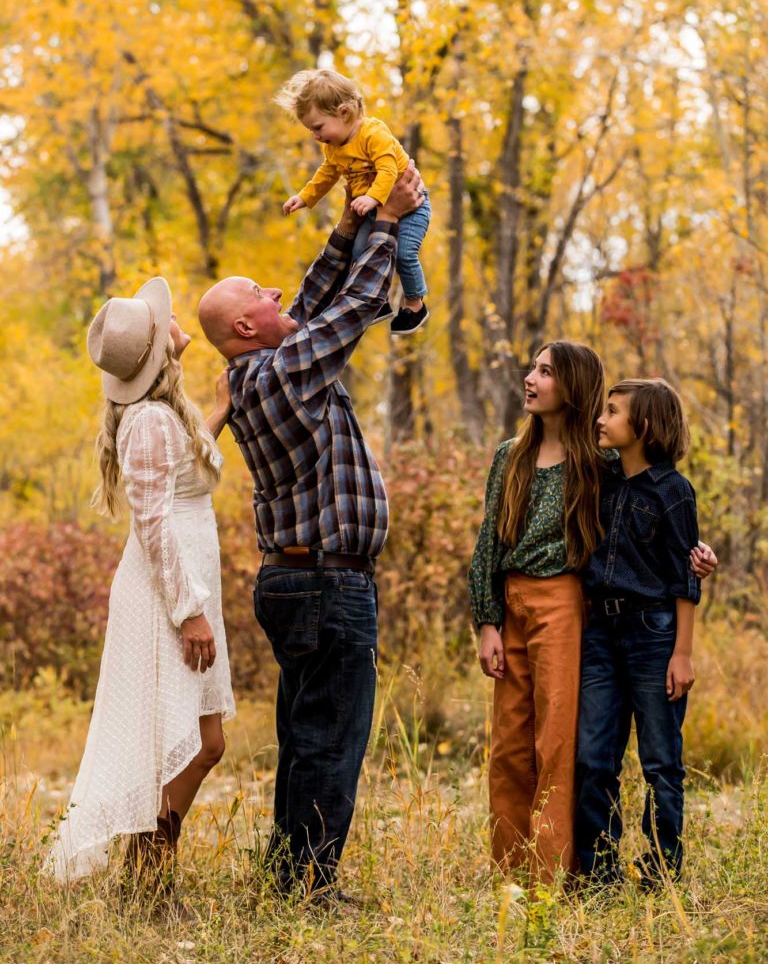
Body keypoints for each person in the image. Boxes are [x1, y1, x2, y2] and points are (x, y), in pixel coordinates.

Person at [197, 168, 425, 903]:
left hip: (295, 577)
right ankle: (309, 886)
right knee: (331, 738)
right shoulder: (286, 370)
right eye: (262, 294)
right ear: (243, 328)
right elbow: (356, 304)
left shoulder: (263, 365)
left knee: (304, 734)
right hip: (328, 581)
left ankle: (289, 872)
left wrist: (346, 231)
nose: (276, 295)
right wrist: (388, 223)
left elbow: (313, 298)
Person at [467, 346, 714, 884]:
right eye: (532, 368)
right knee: (510, 740)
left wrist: (699, 554)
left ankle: (559, 869)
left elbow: (656, 515)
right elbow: (490, 539)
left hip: (569, 605)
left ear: (572, 387)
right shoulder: (510, 455)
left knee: (559, 740)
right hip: (512, 604)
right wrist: (486, 619)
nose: (530, 378)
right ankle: (510, 869)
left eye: (545, 371)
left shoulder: (598, 462)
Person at [46, 277, 235, 900]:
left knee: (198, 742)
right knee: (196, 744)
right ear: (158, 350)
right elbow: (153, 524)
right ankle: (149, 882)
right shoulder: (150, 420)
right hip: (168, 594)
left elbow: (181, 475)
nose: (178, 318)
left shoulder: (160, 416)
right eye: (169, 319)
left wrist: (221, 410)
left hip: (184, 585)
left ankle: (148, 877)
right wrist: (188, 613)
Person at [575, 379, 702, 889]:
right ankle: (598, 871)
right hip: (600, 632)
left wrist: (683, 654)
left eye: (613, 411)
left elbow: (685, 577)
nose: (601, 419)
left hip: (653, 632)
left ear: (643, 426)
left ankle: (660, 872)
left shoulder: (674, 491)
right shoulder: (601, 477)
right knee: (593, 756)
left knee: (660, 760)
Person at [275, 68, 431, 335]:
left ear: (344, 113)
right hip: (371, 208)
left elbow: (388, 170)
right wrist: (304, 197)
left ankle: (415, 304)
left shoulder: (373, 134)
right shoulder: (333, 147)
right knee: (359, 255)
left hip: (410, 205)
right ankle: (377, 302)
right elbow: (326, 174)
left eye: (318, 127)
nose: (315, 135)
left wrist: (372, 197)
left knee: (404, 253)